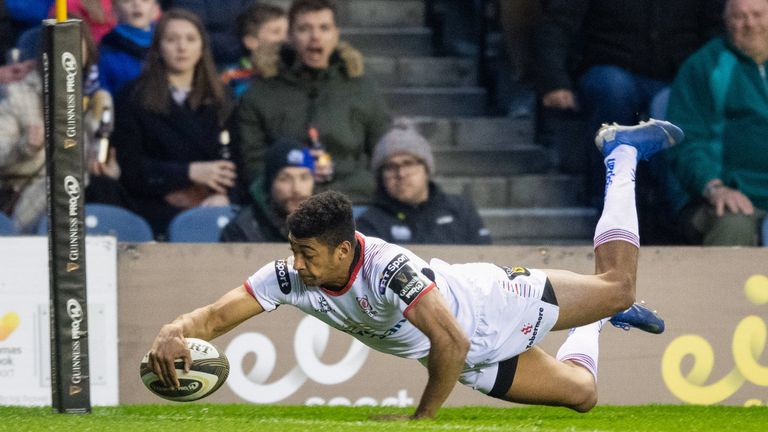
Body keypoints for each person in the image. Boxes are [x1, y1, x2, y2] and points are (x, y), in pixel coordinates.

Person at [147, 120, 679, 418]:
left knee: (615, 285)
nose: (296, 263)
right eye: (294, 250)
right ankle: (595, 318)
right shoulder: (292, 275)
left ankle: (622, 154)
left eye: (307, 254)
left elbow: (450, 342)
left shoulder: (390, 270)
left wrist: (419, 423)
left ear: (342, 251)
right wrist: (174, 333)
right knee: (583, 396)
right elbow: (216, 317)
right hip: (470, 355)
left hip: (496, 303)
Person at [534, 0, 725, 242]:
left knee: (669, 106)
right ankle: (608, 208)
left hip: (675, 77)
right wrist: (555, 81)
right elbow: (558, 22)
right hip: (609, 70)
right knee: (613, 90)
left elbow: (716, 29)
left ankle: (679, 212)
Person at [237, 0, 391, 204]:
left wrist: (337, 192)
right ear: (290, 36)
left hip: (354, 202)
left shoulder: (362, 88)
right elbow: (253, 165)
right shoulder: (259, 94)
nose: (315, 36)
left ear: (336, 34)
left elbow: (384, 153)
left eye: (324, 28)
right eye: (304, 29)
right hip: (284, 207)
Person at [113, 9, 236, 238]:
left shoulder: (223, 98)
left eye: (190, 39)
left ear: (202, 47)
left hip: (211, 203)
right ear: (158, 47)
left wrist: (223, 195)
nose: (182, 47)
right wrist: (189, 172)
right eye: (172, 40)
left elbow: (236, 160)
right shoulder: (132, 97)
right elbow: (130, 167)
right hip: (152, 207)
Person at [0, 23, 125, 232]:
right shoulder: (18, 95)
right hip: (30, 194)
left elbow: (105, 157)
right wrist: (26, 147)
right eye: (60, 47)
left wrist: (110, 170)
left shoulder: (98, 100)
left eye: (75, 47)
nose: (67, 56)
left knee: (106, 188)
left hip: (88, 191)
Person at [665, 0, 768, 246]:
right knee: (733, 224)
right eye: (739, 17)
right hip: (725, 197)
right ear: (725, 21)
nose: (750, 24)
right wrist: (713, 187)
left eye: (758, 15)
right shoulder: (704, 66)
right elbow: (686, 141)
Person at [356, 123, 491, 245]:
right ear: (380, 176)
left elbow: (486, 257)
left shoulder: (460, 210)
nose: (401, 174)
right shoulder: (369, 224)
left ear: (426, 169)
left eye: (408, 163)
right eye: (390, 167)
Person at [220, 138, 314, 242]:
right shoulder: (243, 230)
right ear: (270, 184)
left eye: (304, 178)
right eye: (285, 179)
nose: (296, 188)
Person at [220, 2, 288, 98]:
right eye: (276, 32)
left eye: (288, 32)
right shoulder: (230, 77)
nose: (285, 39)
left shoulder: (295, 73)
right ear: (251, 42)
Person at [98, 0, 160, 94]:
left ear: (156, 9)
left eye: (145, 0)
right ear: (114, 10)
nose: (137, 4)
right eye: (127, 1)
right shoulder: (106, 50)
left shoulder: (166, 44)